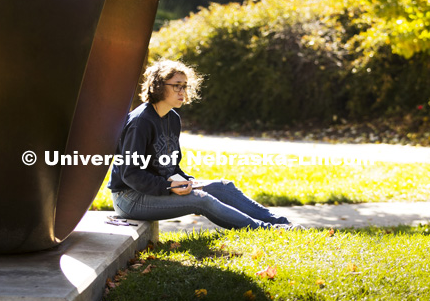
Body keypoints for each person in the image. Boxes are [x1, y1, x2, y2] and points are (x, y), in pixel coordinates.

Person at [109, 59, 298, 231]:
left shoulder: (172, 118)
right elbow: (130, 173)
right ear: (158, 86)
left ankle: (281, 222)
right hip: (129, 198)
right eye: (176, 86)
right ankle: (265, 229)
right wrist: (169, 187)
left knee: (224, 187)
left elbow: (170, 166)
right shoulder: (140, 121)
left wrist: (187, 181)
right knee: (202, 200)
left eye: (184, 86)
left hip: (157, 188)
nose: (182, 92)